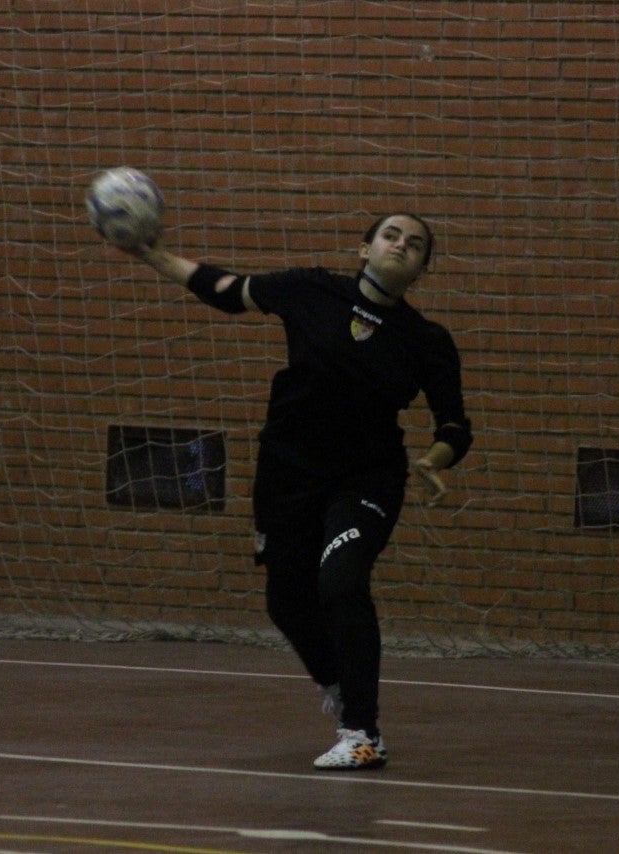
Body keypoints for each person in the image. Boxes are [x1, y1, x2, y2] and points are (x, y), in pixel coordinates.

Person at [115, 212, 473, 771]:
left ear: (424, 267)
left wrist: (434, 459)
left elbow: (455, 425)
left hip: (367, 479)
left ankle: (362, 732)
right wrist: (153, 255)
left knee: (342, 578)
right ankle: (336, 682)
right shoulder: (312, 291)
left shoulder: (426, 340)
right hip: (287, 473)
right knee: (285, 598)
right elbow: (229, 292)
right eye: (391, 235)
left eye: (416, 244)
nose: (401, 246)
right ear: (364, 248)